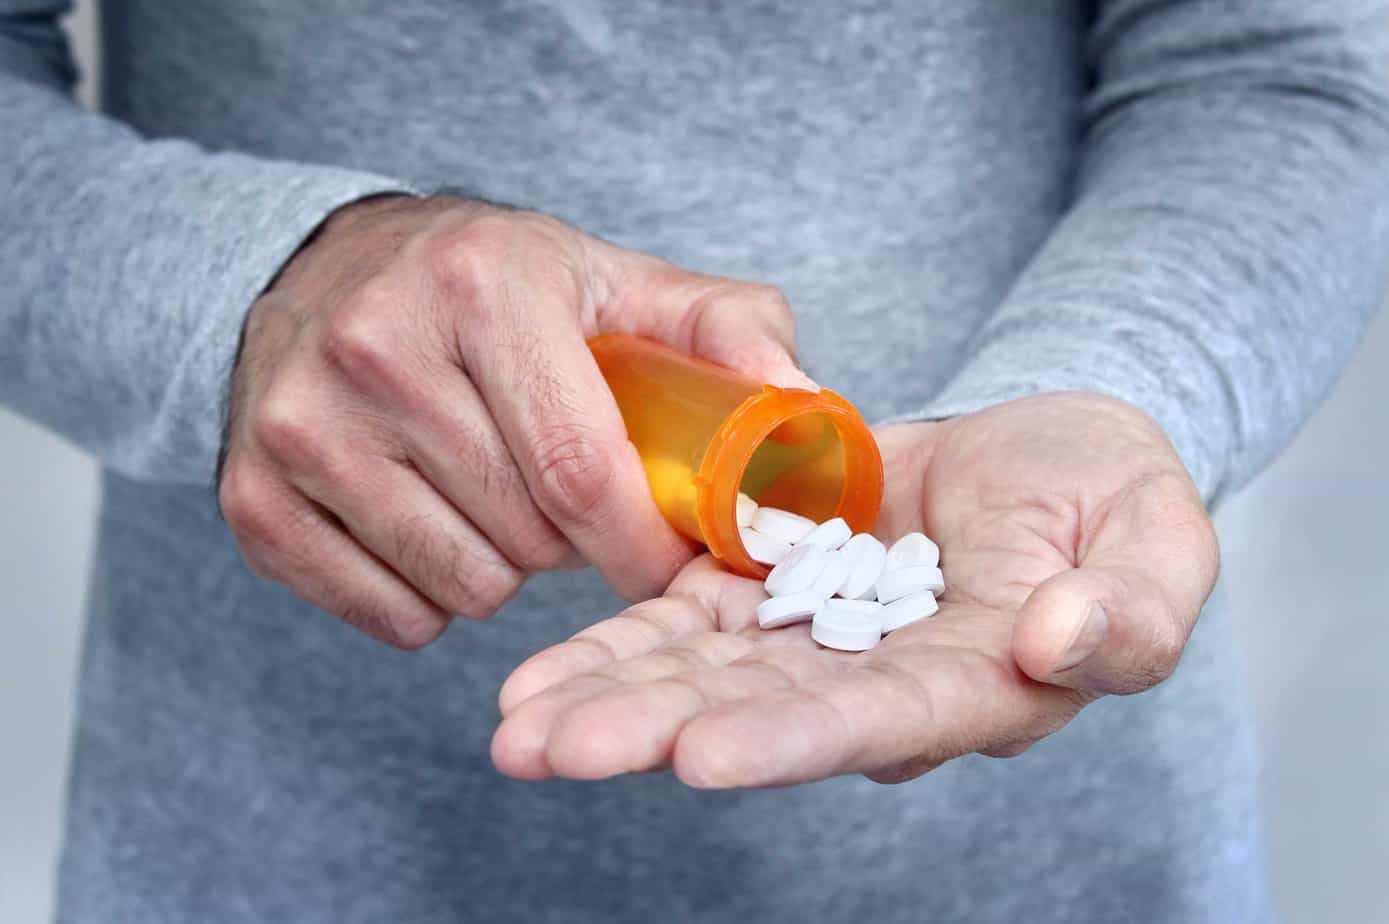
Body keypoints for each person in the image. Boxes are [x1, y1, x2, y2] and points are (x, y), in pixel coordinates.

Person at [4, 1, 1387, 921]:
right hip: (283, 834)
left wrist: (1101, 390)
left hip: (1035, 836)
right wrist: (251, 287)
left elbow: (1277, 64)